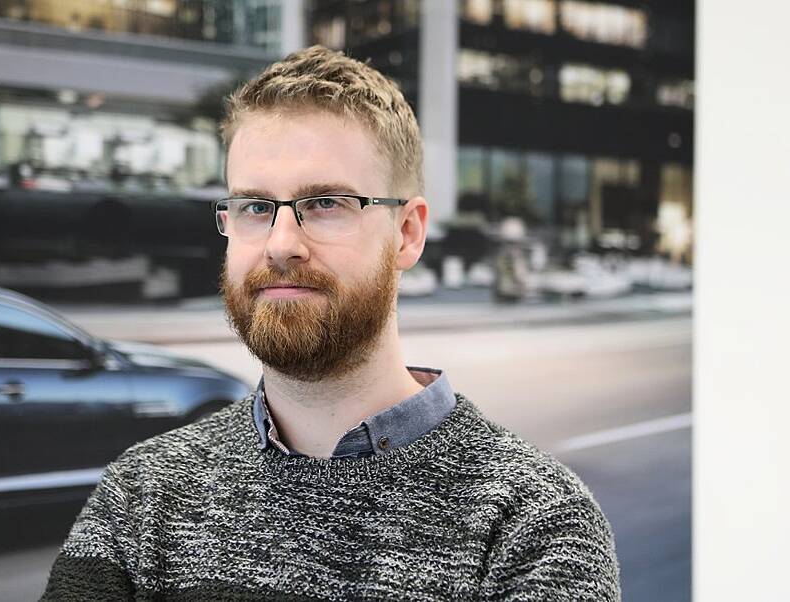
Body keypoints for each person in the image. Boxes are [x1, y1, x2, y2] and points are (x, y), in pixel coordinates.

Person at [41, 46, 620, 601]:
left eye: (325, 204)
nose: (280, 244)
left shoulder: (535, 528)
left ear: (408, 233)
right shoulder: (142, 497)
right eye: (254, 206)